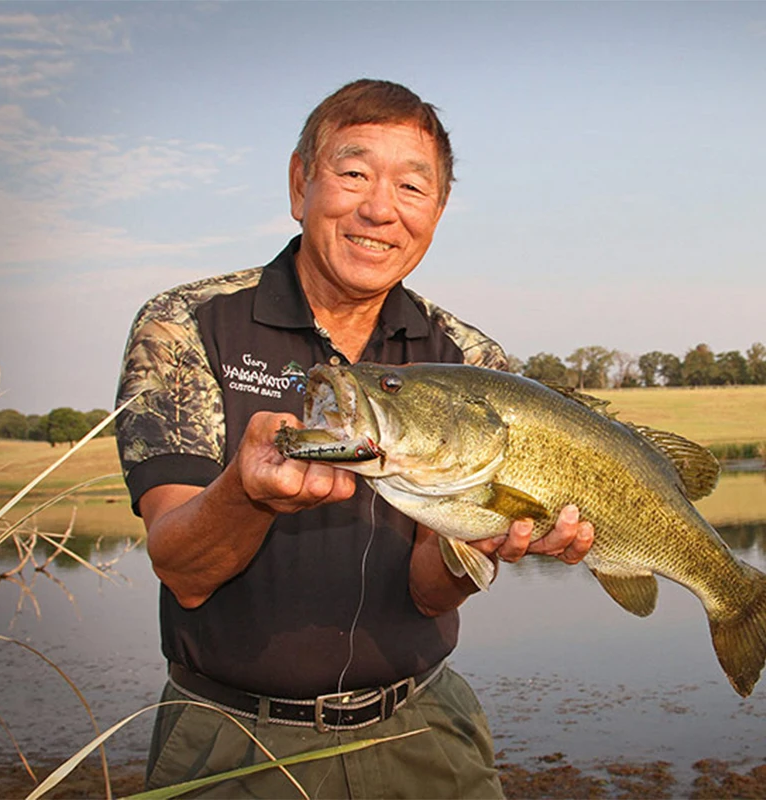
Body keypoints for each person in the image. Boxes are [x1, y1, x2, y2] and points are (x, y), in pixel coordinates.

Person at [115, 78, 594, 799]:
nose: (380, 209)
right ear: (299, 181)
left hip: (424, 730)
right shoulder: (186, 324)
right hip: (228, 744)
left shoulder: (471, 361)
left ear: (437, 210)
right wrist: (247, 494)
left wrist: (483, 548)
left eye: (411, 186)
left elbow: (429, 596)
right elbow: (183, 568)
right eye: (354, 173)